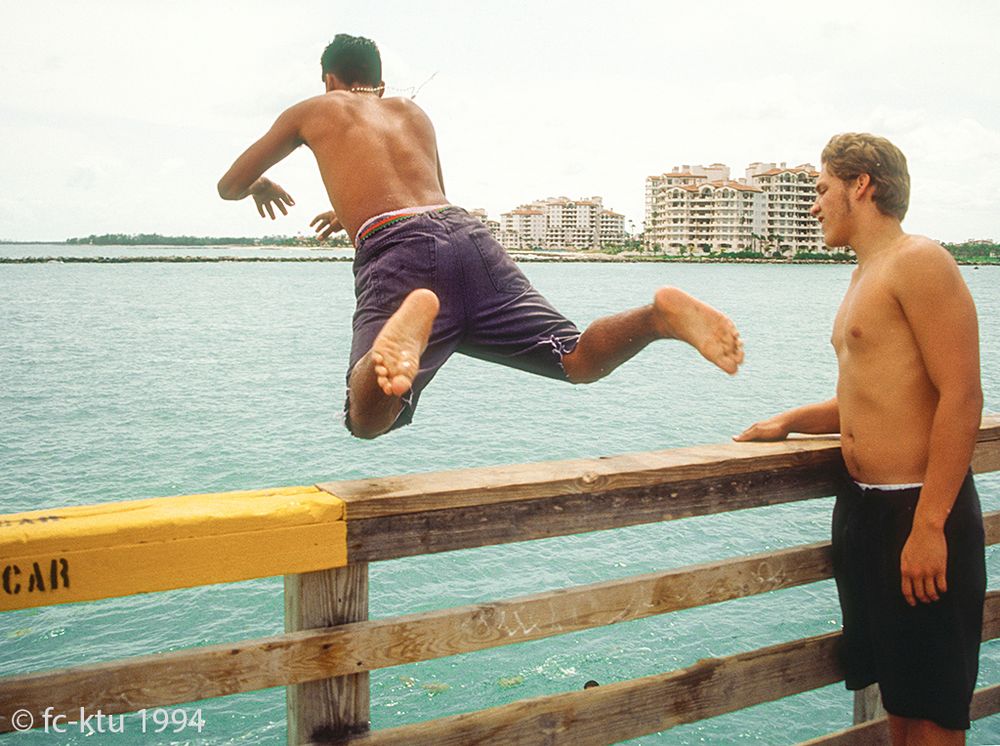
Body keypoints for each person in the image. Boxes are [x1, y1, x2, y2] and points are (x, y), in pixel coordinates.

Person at [219, 34, 744, 439]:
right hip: (467, 236)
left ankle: (402, 334)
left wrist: (262, 185)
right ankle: (657, 318)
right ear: (379, 81)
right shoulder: (412, 111)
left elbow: (230, 185)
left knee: (366, 419)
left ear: (328, 78)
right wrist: (351, 209)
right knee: (576, 360)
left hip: (399, 254)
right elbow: (428, 197)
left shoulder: (315, 108)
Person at [735, 133, 985, 744]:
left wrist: (928, 526)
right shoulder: (864, 274)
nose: (814, 205)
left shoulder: (920, 261)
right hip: (865, 514)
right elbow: (868, 396)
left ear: (862, 185)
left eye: (821, 189)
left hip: (919, 511)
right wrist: (790, 420)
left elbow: (962, 396)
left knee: (934, 716)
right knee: (898, 704)